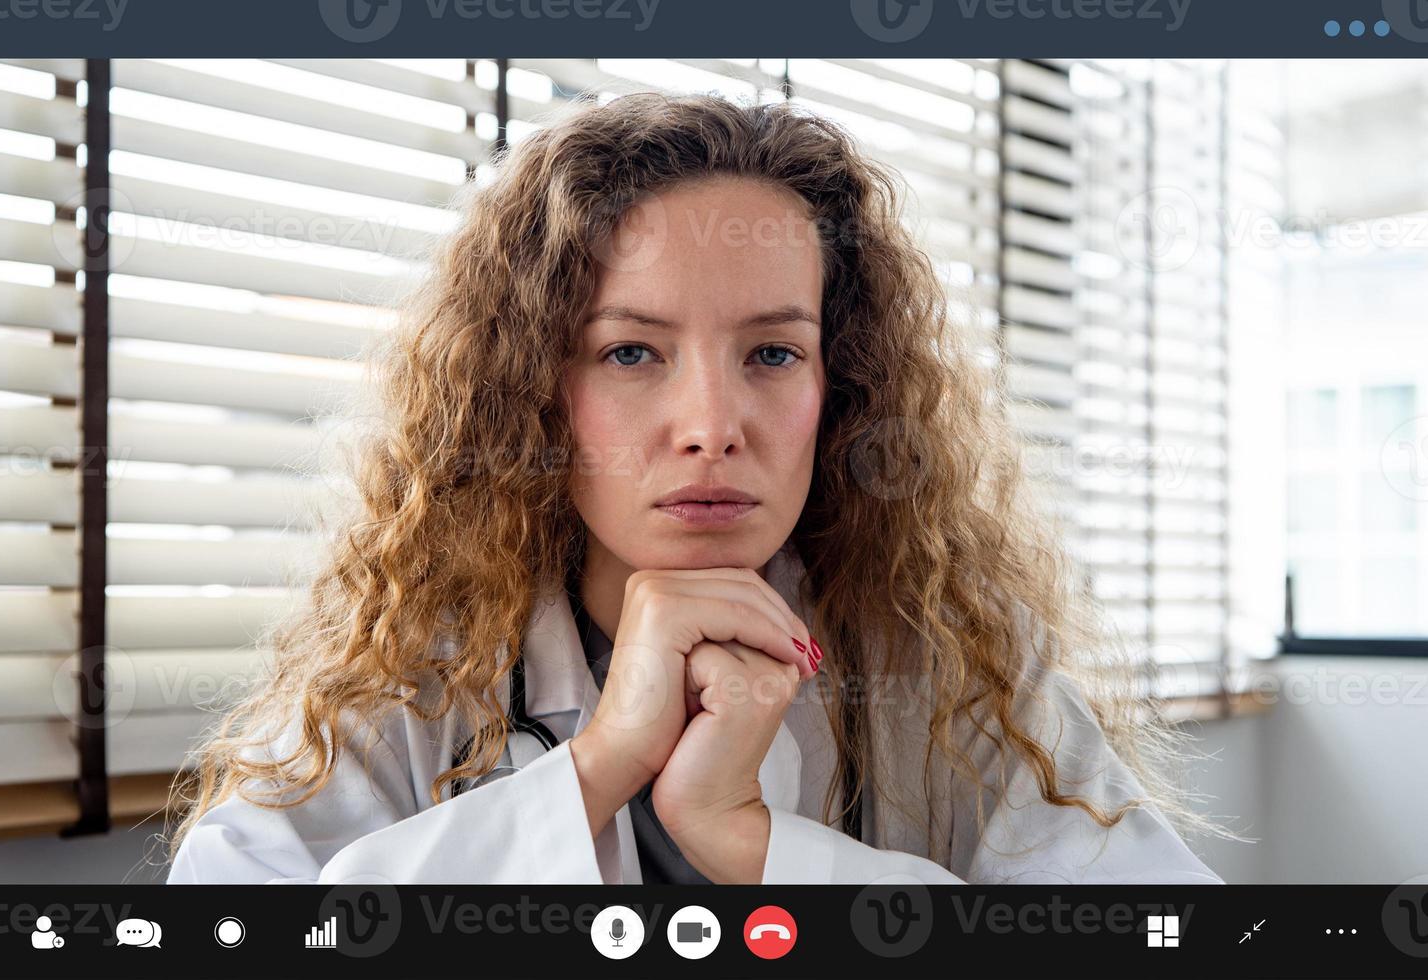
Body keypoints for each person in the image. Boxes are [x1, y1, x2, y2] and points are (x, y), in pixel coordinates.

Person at [164, 91, 1225, 885]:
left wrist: (751, 841)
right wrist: (596, 764)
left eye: (772, 354)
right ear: (533, 389)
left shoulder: (954, 662)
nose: (713, 425)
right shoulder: (402, 673)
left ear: (840, 386)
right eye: (631, 353)